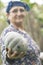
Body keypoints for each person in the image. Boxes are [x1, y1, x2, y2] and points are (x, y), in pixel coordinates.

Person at [0, 1, 41, 65]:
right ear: (8, 15)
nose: (19, 13)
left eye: (21, 10)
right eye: (15, 11)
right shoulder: (8, 31)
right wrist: (8, 56)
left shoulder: (25, 33)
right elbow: (4, 53)